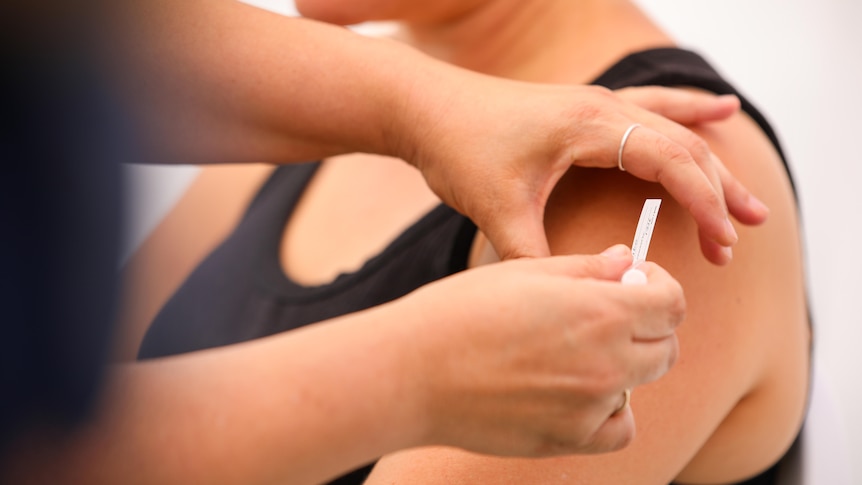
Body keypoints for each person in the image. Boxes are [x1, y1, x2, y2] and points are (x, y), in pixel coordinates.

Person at [1, 1, 763, 485]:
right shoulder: (298, 127)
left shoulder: (665, 181)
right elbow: (52, 441)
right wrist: (415, 376)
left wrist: (412, 105)